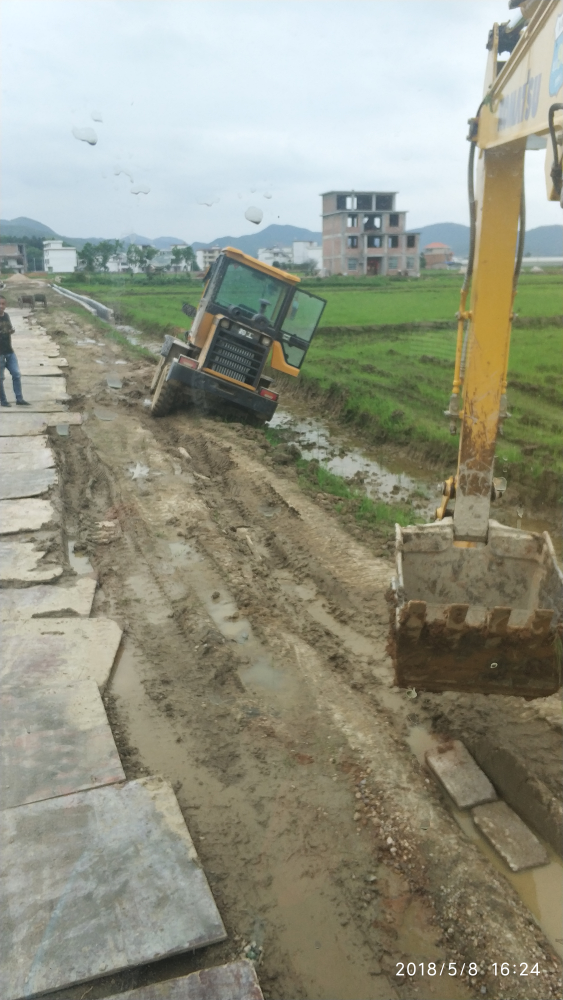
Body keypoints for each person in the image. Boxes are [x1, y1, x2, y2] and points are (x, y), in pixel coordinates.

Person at [0, 296, 30, 407]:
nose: (1, 306)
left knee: (16, 374)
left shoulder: (6, 316)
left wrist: (10, 331)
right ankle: (3, 401)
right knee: (0, 378)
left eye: (3, 304)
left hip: (9, 351)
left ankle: (19, 399)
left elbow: (8, 329)